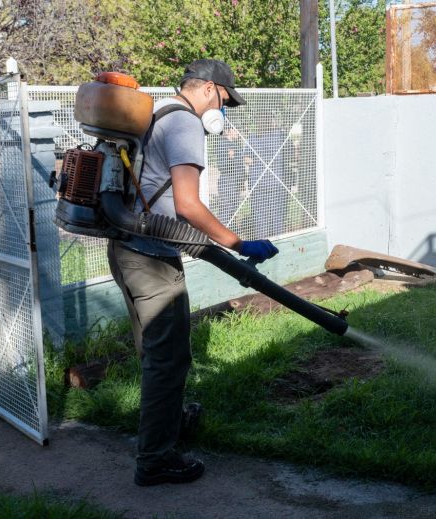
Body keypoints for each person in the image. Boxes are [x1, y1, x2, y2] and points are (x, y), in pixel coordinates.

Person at [107, 59, 280, 486]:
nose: (224, 108)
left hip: (125, 248)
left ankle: (169, 422)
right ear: (206, 89)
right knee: (169, 358)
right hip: (150, 256)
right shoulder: (184, 124)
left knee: (155, 351)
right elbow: (187, 205)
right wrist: (238, 243)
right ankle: (155, 460)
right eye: (224, 99)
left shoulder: (155, 114)